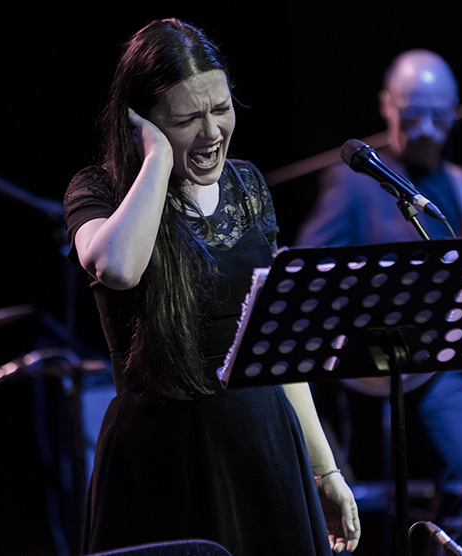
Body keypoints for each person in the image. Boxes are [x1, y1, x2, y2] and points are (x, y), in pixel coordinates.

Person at [63, 18, 360, 556]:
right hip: (163, 461)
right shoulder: (100, 190)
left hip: (263, 445)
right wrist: (154, 159)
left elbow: (281, 343)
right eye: (185, 120)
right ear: (141, 122)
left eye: (220, 109)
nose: (211, 134)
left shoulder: (247, 186)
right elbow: (119, 268)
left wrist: (325, 468)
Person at [295, 49, 462, 556]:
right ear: (386, 106)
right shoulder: (355, 186)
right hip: (415, 371)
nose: (425, 129)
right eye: (412, 113)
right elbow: (304, 280)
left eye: (439, 116)